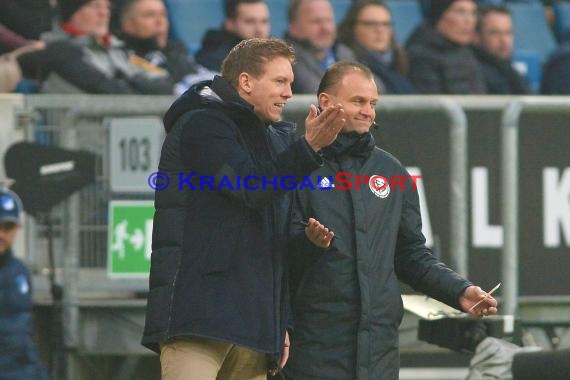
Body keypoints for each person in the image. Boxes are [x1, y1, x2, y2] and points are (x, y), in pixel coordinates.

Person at [141, 38, 347, 379]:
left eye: (291, 83)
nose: (288, 93)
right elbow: (249, 188)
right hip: (200, 318)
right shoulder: (202, 125)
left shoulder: (274, 140)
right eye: (280, 81)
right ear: (246, 82)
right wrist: (308, 147)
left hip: (254, 325)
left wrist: (280, 321)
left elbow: (274, 238)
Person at [284, 61, 498, 380]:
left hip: (378, 348)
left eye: (373, 104)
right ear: (326, 102)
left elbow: (411, 254)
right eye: (358, 101)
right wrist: (308, 243)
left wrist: (458, 291)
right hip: (312, 345)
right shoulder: (294, 166)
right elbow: (275, 254)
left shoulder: (392, 173)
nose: (368, 112)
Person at [38, 0, 173, 94]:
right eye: (95, 5)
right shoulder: (58, 50)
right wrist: (135, 84)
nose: (104, 13)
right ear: (73, 12)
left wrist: (128, 82)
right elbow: (106, 89)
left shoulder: (118, 50)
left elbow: (164, 84)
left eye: (107, 7)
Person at [0, 188, 50, 380]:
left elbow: (21, 334)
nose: (2, 234)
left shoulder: (19, 272)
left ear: (17, 230)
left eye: (8, 227)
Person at [118, 0, 216, 95]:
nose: (160, 21)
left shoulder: (177, 54)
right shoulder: (121, 58)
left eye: (163, 15)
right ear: (127, 24)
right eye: (149, 15)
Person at [406, 0, 486, 94]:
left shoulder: (467, 52)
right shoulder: (421, 55)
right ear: (440, 15)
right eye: (460, 12)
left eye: (473, 13)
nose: (469, 21)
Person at [338, 0, 415, 94]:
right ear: (352, 27)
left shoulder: (401, 63)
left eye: (386, 24)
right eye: (370, 24)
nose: (380, 30)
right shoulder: (346, 63)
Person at [284, 0, 356, 94]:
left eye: (328, 20)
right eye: (316, 21)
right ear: (293, 27)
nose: (325, 28)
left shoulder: (345, 54)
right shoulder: (287, 59)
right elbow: (316, 93)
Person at [196, 0, 270, 71]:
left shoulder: (278, 53)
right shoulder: (212, 61)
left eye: (264, 21)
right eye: (249, 22)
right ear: (229, 24)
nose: (259, 29)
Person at [473, 5, 530, 94]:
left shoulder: (512, 72)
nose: (504, 41)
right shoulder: (473, 72)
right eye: (495, 33)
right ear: (476, 36)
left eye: (508, 33)